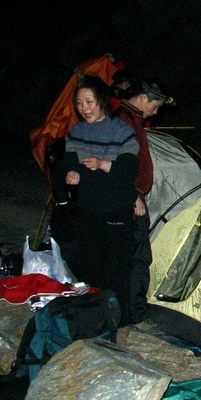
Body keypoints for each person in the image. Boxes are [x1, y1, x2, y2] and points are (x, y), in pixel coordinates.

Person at [58, 75, 141, 328]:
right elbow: (69, 160)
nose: (84, 108)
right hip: (88, 208)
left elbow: (130, 167)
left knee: (117, 268)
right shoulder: (77, 132)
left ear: (102, 101)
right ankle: (96, 319)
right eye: (79, 103)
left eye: (89, 102)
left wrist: (104, 164)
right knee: (89, 265)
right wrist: (71, 172)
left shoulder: (122, 131)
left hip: (117, 208)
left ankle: (122, 322)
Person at [112, 77, 174, 325]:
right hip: (127, 199)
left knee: (132, 255)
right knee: (137, 257)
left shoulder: (132, 120)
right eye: (154, 106)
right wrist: (133, 195)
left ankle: (128, 309)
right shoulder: (123, 121)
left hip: (129, 197)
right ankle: (133, 312)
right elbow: (117, 163)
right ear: (141, 98)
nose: (155, 112)